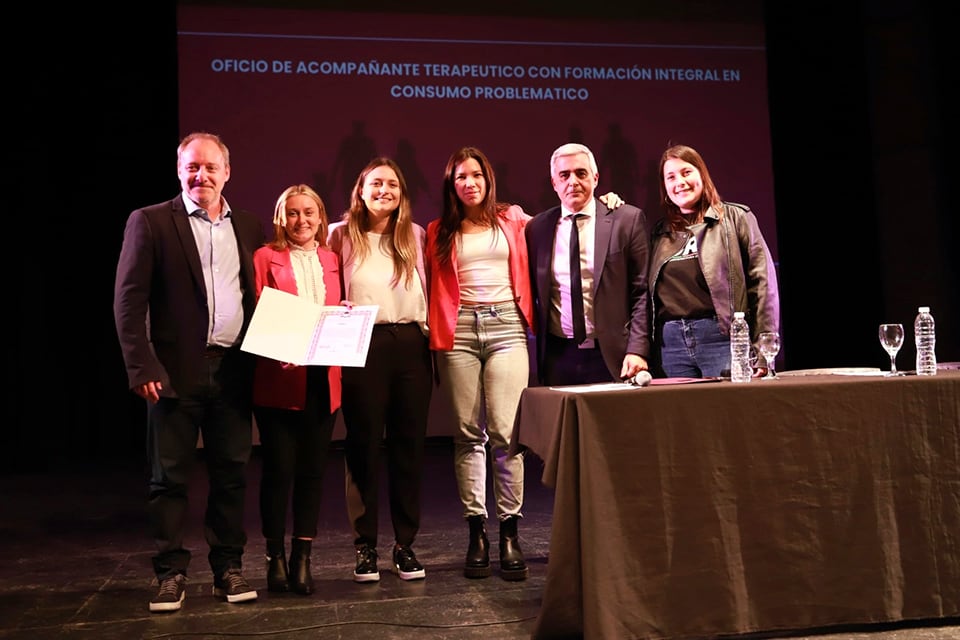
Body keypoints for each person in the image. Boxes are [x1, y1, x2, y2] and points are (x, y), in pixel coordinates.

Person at [113, 131, 264, 613]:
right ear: (180, 171)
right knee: (169, 479)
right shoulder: (151, 221)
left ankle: (227, 568)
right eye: (192, 167)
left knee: (231, 475)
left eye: (210, 167)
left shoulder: (249, 226)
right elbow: (129, 300)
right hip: (173, 373)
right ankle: (170, 572)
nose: (201, 175)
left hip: (234, 370)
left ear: (227, 172)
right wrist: (141, 364)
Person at [425, 146, 534, 581]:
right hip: (459, 331)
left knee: (507, 433)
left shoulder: (514, 220)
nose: (469, 183)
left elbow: (563, 220)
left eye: (476, 175)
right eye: (460, 178)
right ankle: (477, 532)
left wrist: (609, 203)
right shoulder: (438, 230)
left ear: (488, 179)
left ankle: (509, 531)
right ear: (451, 186)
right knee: (468, 435)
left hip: (507, 324)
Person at [327, 157, 432, 583]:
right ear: (361, 189)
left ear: (402, 193)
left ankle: (405, 545)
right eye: (376, 183)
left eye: (392, 183)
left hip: (409, 344)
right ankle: (364, 546)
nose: (384, 190)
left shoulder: (416, 235)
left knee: (409, 448)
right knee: (363, 445)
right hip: (360, 342)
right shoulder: (339, 234)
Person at [251, 184, 342, 595]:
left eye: (309, 213)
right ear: (281, 217)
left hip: (324, 379)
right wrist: (283, 343)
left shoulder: (332, 258)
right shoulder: (264, 257)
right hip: (280, 378)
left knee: (311, 473)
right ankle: (275, 558)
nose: (301, 221)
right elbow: (259, 311)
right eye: (293, 213)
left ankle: (303, 557)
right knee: (278, 473)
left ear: (321, 218)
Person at [525, 142, 652, 386]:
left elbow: (641, 292)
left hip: (614, 355)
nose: (572, 181)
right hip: (557, 356)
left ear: (595, 178)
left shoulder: (626, 220)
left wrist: (637, 349)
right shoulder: (537, 228)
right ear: (554, 183)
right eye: (564, 175)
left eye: (581, 173)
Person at [650, 143, 780, 378]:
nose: (679, 182)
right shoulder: (659, 233)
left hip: (723, 339)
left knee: (730, 413)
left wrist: (763, 349)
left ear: (702, 173)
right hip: (670, 346)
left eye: (686, 172)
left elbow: (763, 285)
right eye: (670, 177)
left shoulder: (736, 218)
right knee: (679, 415)